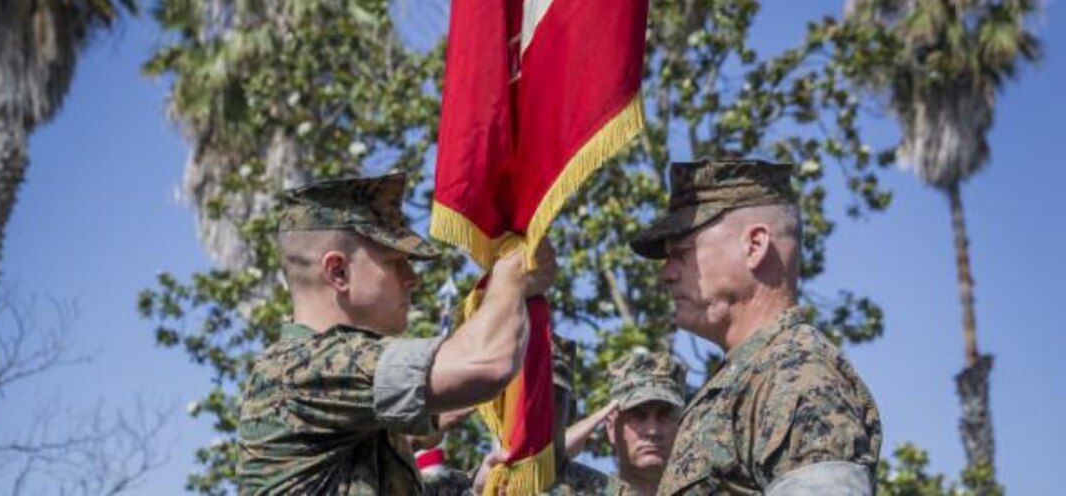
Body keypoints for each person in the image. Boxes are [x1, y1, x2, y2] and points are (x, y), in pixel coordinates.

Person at [236, 173, 554, 494]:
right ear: (338, 272)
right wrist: (513, 273)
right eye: (396, 262)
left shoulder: (347, 391)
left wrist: (471, 486)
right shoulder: (301, 367)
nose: (412, 278)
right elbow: (486, 364)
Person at [629, 159, 881, 495]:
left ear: (755, 246)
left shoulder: (796, 375)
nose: (667, 273)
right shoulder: (752, 376)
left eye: (682, 252)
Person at [555, 351, 686, 496]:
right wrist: (559, 449)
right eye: (637, 416)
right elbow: (529, 477)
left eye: (664, 416)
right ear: (611, 427)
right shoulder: (580, 490)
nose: (652, 431)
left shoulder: (710, 487)